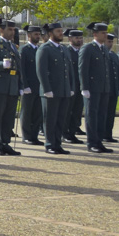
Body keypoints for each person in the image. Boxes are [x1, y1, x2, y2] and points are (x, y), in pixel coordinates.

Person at [37, 22, 72, 155]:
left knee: (60, 119)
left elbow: (69, 71)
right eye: (58, 31)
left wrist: (70, 87)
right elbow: (41, 70)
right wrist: (46, 89)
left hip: (63, 90)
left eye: (61, 31)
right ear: (50, 33)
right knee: (50, 119)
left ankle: (58, 144)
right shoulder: (45, 49)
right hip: (51, 91)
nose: (61, 33)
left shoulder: (63, 49)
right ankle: (50, 144)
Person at [0, 19, 22, 156]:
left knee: (9, 116)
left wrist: (20, 85)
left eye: (13, 30)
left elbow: (19, 68)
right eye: (9, 29)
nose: (12, 32)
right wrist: (1, 64)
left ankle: (5, 142)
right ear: (1, 30)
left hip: (12, 85)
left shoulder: (13, 46)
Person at [79, 22, 113, 153]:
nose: (105, 35)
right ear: (95, 34)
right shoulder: (88, 48)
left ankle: (99, 142)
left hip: (103, 88)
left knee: (101, 115)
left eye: (106, 32)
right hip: (92, 88)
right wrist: (84, 87)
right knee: (92, 116)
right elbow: (83, 69)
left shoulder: (104, 48)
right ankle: (92, 143)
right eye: (103, 33)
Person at [19, 25, 43, 145]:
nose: (38, 36)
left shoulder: (40, 49)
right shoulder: (24, 49)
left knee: (37, 112)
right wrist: (24, 85)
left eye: (39, 34)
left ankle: (34, 136)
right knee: (27, 112)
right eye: (35, 34)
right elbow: (22, 69)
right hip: (29, 86)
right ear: (29, 35)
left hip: (39, 86)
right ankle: (27, 136)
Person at [62, 29, 85, 144]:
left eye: (81, 38)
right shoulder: (66, 51)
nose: (79, 40)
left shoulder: (83, 51)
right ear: (70, 39)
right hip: (70, 85)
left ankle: (72, 132)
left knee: (77, 111)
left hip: (81, 86)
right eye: (77, 38)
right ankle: (65, 133)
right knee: (67, 111)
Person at [105, 33, 119, 143]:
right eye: (108, 41)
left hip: (113, 89)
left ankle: (108, 134)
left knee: (111, 113)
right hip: (104, 89)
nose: (110, 44)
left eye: (111, 41)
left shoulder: (114, 55)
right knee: (103, 113)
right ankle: (101, 134)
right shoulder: (101, 54)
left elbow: (118, 73)